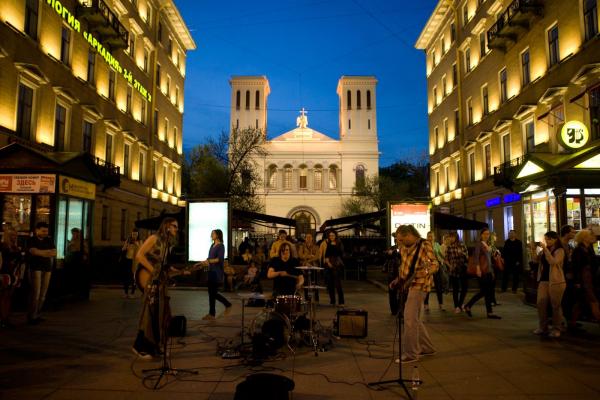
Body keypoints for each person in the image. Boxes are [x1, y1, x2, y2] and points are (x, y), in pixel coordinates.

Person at [132, 217, 179, 359]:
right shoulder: (154, 238)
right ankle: (140, 347)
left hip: (160, 282)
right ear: (167, 226)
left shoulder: (167, 243)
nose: (177, 229)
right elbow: (139, 255)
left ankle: (155, 346)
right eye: (175, 226)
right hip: (151, 281)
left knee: (162, 314)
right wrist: (152, 270)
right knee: (150, 313)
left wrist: (177, 270)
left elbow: (163, 264)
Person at [389, 225, 438, 364]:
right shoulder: (404, 247)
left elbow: (435, 264)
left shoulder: (424, 244)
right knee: (415, 319)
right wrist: (398, 280)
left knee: (409, 319)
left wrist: (425, 272)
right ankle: (427, 348)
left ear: (409, 235)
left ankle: (411, 354)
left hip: (420, 285)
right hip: (410, 285)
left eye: (401, 240)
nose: (399, 243)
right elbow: (405, 268)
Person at [531, 231, 566, 338]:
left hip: (556, 281)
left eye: (549, 239)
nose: (546, 241)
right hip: (543, 280)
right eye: (545, 239)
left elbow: (553, 262)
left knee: (555, 306)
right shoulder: (544, 250)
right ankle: (543, 327)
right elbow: (535, 260)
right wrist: (533, 249)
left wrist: (545, 250)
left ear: (555, 239)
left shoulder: (560, 250)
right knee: (540, 303)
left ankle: (557, 328)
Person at [464, 228, 501, 319]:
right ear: (481, 235)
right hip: (482, 271)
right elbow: (476, 258)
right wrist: (478, 269)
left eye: (488, 234)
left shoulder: (488, 244)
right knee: (484, 291)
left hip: (488, 271)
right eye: (484, 234)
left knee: (487, 292)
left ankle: (488, 312)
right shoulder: (479, 244)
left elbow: (489, 259)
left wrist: (492, 270)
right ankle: (469, 306)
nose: (486, 235)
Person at [27, 222, 57, 324]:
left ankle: (37, 314)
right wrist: (47, 253)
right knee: (35, 293)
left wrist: (41, 252)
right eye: (43, 231)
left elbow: (54, 253)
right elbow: (33, 251)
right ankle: (32, 316)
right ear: (37, 230)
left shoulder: (49, 240)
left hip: (47, 268)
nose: (45, 233)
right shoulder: (32, 240)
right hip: (35, 268)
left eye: (46, 231)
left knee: (43, 294)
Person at [200, 229, 232, 320]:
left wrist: (209, 261)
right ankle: (212, 314)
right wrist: (203, 262)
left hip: (216, 272)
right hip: (211, 271)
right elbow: (209, 258)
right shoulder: (212, 245)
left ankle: (226, 305)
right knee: (211, 293)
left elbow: (219, 259)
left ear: (218, 235)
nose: (211, 235)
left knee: (213, 293)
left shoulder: (221, 246)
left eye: (213, 234)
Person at [570, 229, 600, 326]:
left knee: (581, 302)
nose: (592, 237)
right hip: (584, 279)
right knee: (593, 300)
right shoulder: (579, 250)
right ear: (584, 238)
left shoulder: (589, 248)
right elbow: (576, 267)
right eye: (589, 236)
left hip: (590, 278)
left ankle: (572, 322)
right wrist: (577, 281)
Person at [1, 226, 24, 328]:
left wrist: (19, 276)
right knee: (4, 297)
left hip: (13, 274)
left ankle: (5, 318)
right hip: (4, 274)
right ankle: (3, 319)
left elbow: (20, 263)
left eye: (15, 235)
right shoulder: (3, 246)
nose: (14, 237)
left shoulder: (15, 248)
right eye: (11, 235)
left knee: (8, 297)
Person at [444, 231, 469, 313]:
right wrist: (450, 266)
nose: (451, 238)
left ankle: (460, 304)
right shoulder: (449, 247)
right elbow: (446, 259)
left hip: (463, 268)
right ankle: (456, 306)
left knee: (465, 287)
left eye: (452, 237)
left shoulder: (462, 245)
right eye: (450, 237)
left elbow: (467, 256)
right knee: (455, 288)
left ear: (456, 237)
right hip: (454, 269)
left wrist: (462, 253)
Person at [320, 229, 345, 306]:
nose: (331, 237)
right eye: (330, 235)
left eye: (333, 235)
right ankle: (332, 301)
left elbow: (341, 254)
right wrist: (328, 263)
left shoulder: (339, 243)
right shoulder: (328, 243)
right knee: (330, 284)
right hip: (329, 264)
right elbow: (326, 255)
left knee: (338, 284)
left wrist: (335, 262)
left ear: (335, 236)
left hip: (337, 264)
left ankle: (341, 302)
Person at [559, 225, 577, 326]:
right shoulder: (559, 245)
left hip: (568, 275)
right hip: (562, 275)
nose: (574, 233)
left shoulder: (569, 245)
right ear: (566, 233)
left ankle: (568, 319)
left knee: (569, 297)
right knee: (564, 298)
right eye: (572, 232)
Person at [424, 231, 446, 311]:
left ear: (434, 237)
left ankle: (441, 304)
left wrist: (442, 259)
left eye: (431, 236)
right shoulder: (425, 245)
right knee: (427, 286)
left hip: (437, 267)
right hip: (428, 267)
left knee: (438, 286)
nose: (430, 238)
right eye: (428, 236)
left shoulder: (437, 245)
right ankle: (426, 304)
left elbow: (441, 255)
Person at [65, 227, 90, 299]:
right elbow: (68, 249)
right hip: (72, 260)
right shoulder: (72, 241)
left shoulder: (82, 242)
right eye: (72, 234)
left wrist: (83, 254)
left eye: (74, 233)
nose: (73, 235)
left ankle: (77, 292)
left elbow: (86, 250)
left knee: (77, 276)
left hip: (78, 260)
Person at [297, 232, 320, 302]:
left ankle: (316, 299)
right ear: (305, 239)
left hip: (314, 266)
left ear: (312, 238)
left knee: (315, 283)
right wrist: (310, 256)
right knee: (306, 282)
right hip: (304, 266)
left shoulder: (316, 246)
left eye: (310, 237)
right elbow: (300, 255)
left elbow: (317, 256)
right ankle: (307, 299)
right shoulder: (302, 246)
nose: (308, 238)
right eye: (307, 237)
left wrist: (308, 261)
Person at [121, 228, 141, 298]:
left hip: (135, 262)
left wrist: (136, 244)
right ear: (131, 234)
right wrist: (126, 245)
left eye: (135, 234)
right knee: (126, 277)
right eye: (133, 234)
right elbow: (123, 249)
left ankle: (132, 293)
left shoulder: (139, 241)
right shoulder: (128, 240)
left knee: (133, 277)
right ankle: (126, 293)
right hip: (127, 260)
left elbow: (141, 250)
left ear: (138, 235)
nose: (134, 236)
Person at [383, 236, 401, 315]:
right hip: (392, 273)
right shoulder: (392, 248)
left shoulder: (404, 248)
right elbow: (387, 255)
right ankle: (394, 310)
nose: (396, 241)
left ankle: (399, 309)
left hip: (401, 273)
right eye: (396, 240)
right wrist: (390, 253)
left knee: (400, 292)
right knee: (392, 292)